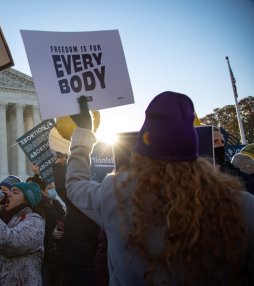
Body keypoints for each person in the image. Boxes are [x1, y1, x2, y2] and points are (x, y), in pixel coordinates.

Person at [66, 92, 254, 284]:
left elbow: (75, 185)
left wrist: (83, 131)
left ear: (140, 153)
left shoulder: (116, 192)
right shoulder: (242, 204)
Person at [0, 181, 45, 286]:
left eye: (15, 192)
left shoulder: (35, 221)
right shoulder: (1, 217)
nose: (8, 194)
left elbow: (9, 243)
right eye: (9, 191)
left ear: (27, 200)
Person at [53, 155, 99, 286]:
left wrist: (59, 164)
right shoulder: (101, 203)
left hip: (78, 259)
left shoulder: (81, 203)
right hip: (88, 260)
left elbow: (62, 188)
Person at [214, 126, 254, 194]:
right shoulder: (193, 177)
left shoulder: (241, 177)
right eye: (215, 141)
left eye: (222, 141)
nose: (221, 145)